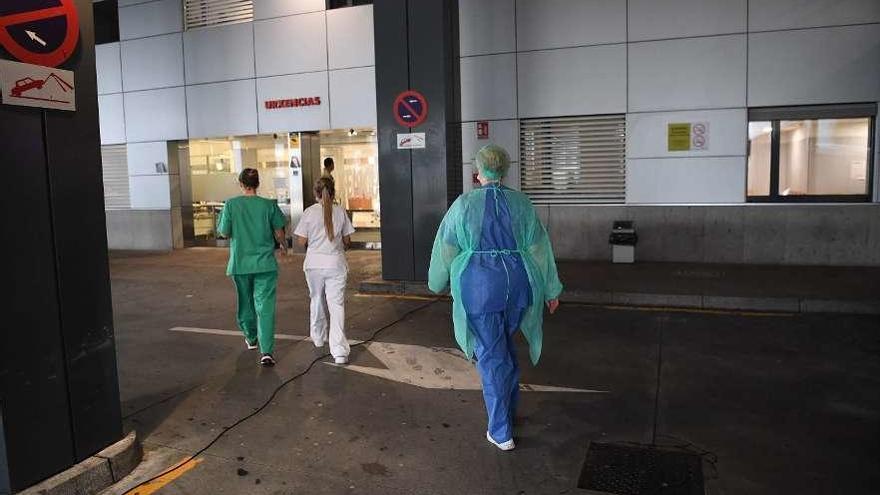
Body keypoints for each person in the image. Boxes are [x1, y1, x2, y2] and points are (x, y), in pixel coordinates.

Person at [428, 144, 562, 451]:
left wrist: (437, 282)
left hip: (480, 289)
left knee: (491, 357)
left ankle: (500, 431)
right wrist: (552, 290)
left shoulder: (464, 205)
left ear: (479, 172)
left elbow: (446, 247)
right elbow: (541, 247)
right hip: (519, 285)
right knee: (505, 350)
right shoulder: (521, 203)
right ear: (504, 170)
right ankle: (509, 411)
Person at [217, 168, 287, 367]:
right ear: (258, 183)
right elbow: (279, 232)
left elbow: (224, 232)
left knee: (245, 302)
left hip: (240, 263)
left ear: (241, 184)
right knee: (265, 307)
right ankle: (267, 352)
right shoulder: (268, 205)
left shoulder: (231, 205)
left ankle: (251, 337)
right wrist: (283, 246)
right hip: (265, 264)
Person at [294, 177, 355, 365]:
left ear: (316, 193)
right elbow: (347, 241)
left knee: (317, 299)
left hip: (314, 264)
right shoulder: (340, 212)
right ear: (333, 192)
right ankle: (339, 352)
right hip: (335, 263)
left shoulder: (309, 213)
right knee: (336, 305)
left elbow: (301, 241)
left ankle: (319, 337)